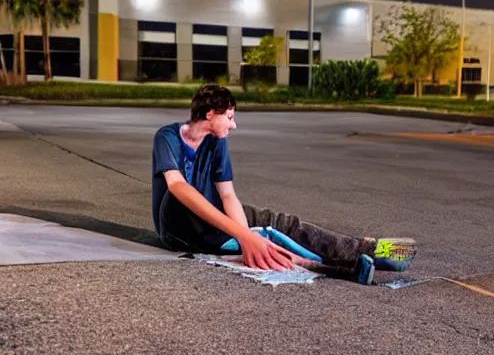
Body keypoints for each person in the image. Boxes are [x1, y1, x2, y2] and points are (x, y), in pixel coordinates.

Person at [152, 84, 417, 285]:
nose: (234, 124)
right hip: (176, 224)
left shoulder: (217, 140)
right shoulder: (168, 136)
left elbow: (228, 193)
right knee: (250, 229)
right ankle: (339, 266)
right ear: (211, 114)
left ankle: (368, 251)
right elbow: (177, 187)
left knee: (279, 224)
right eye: (230, 117)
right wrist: (245, 236)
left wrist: (247, 237)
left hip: (209, 214)